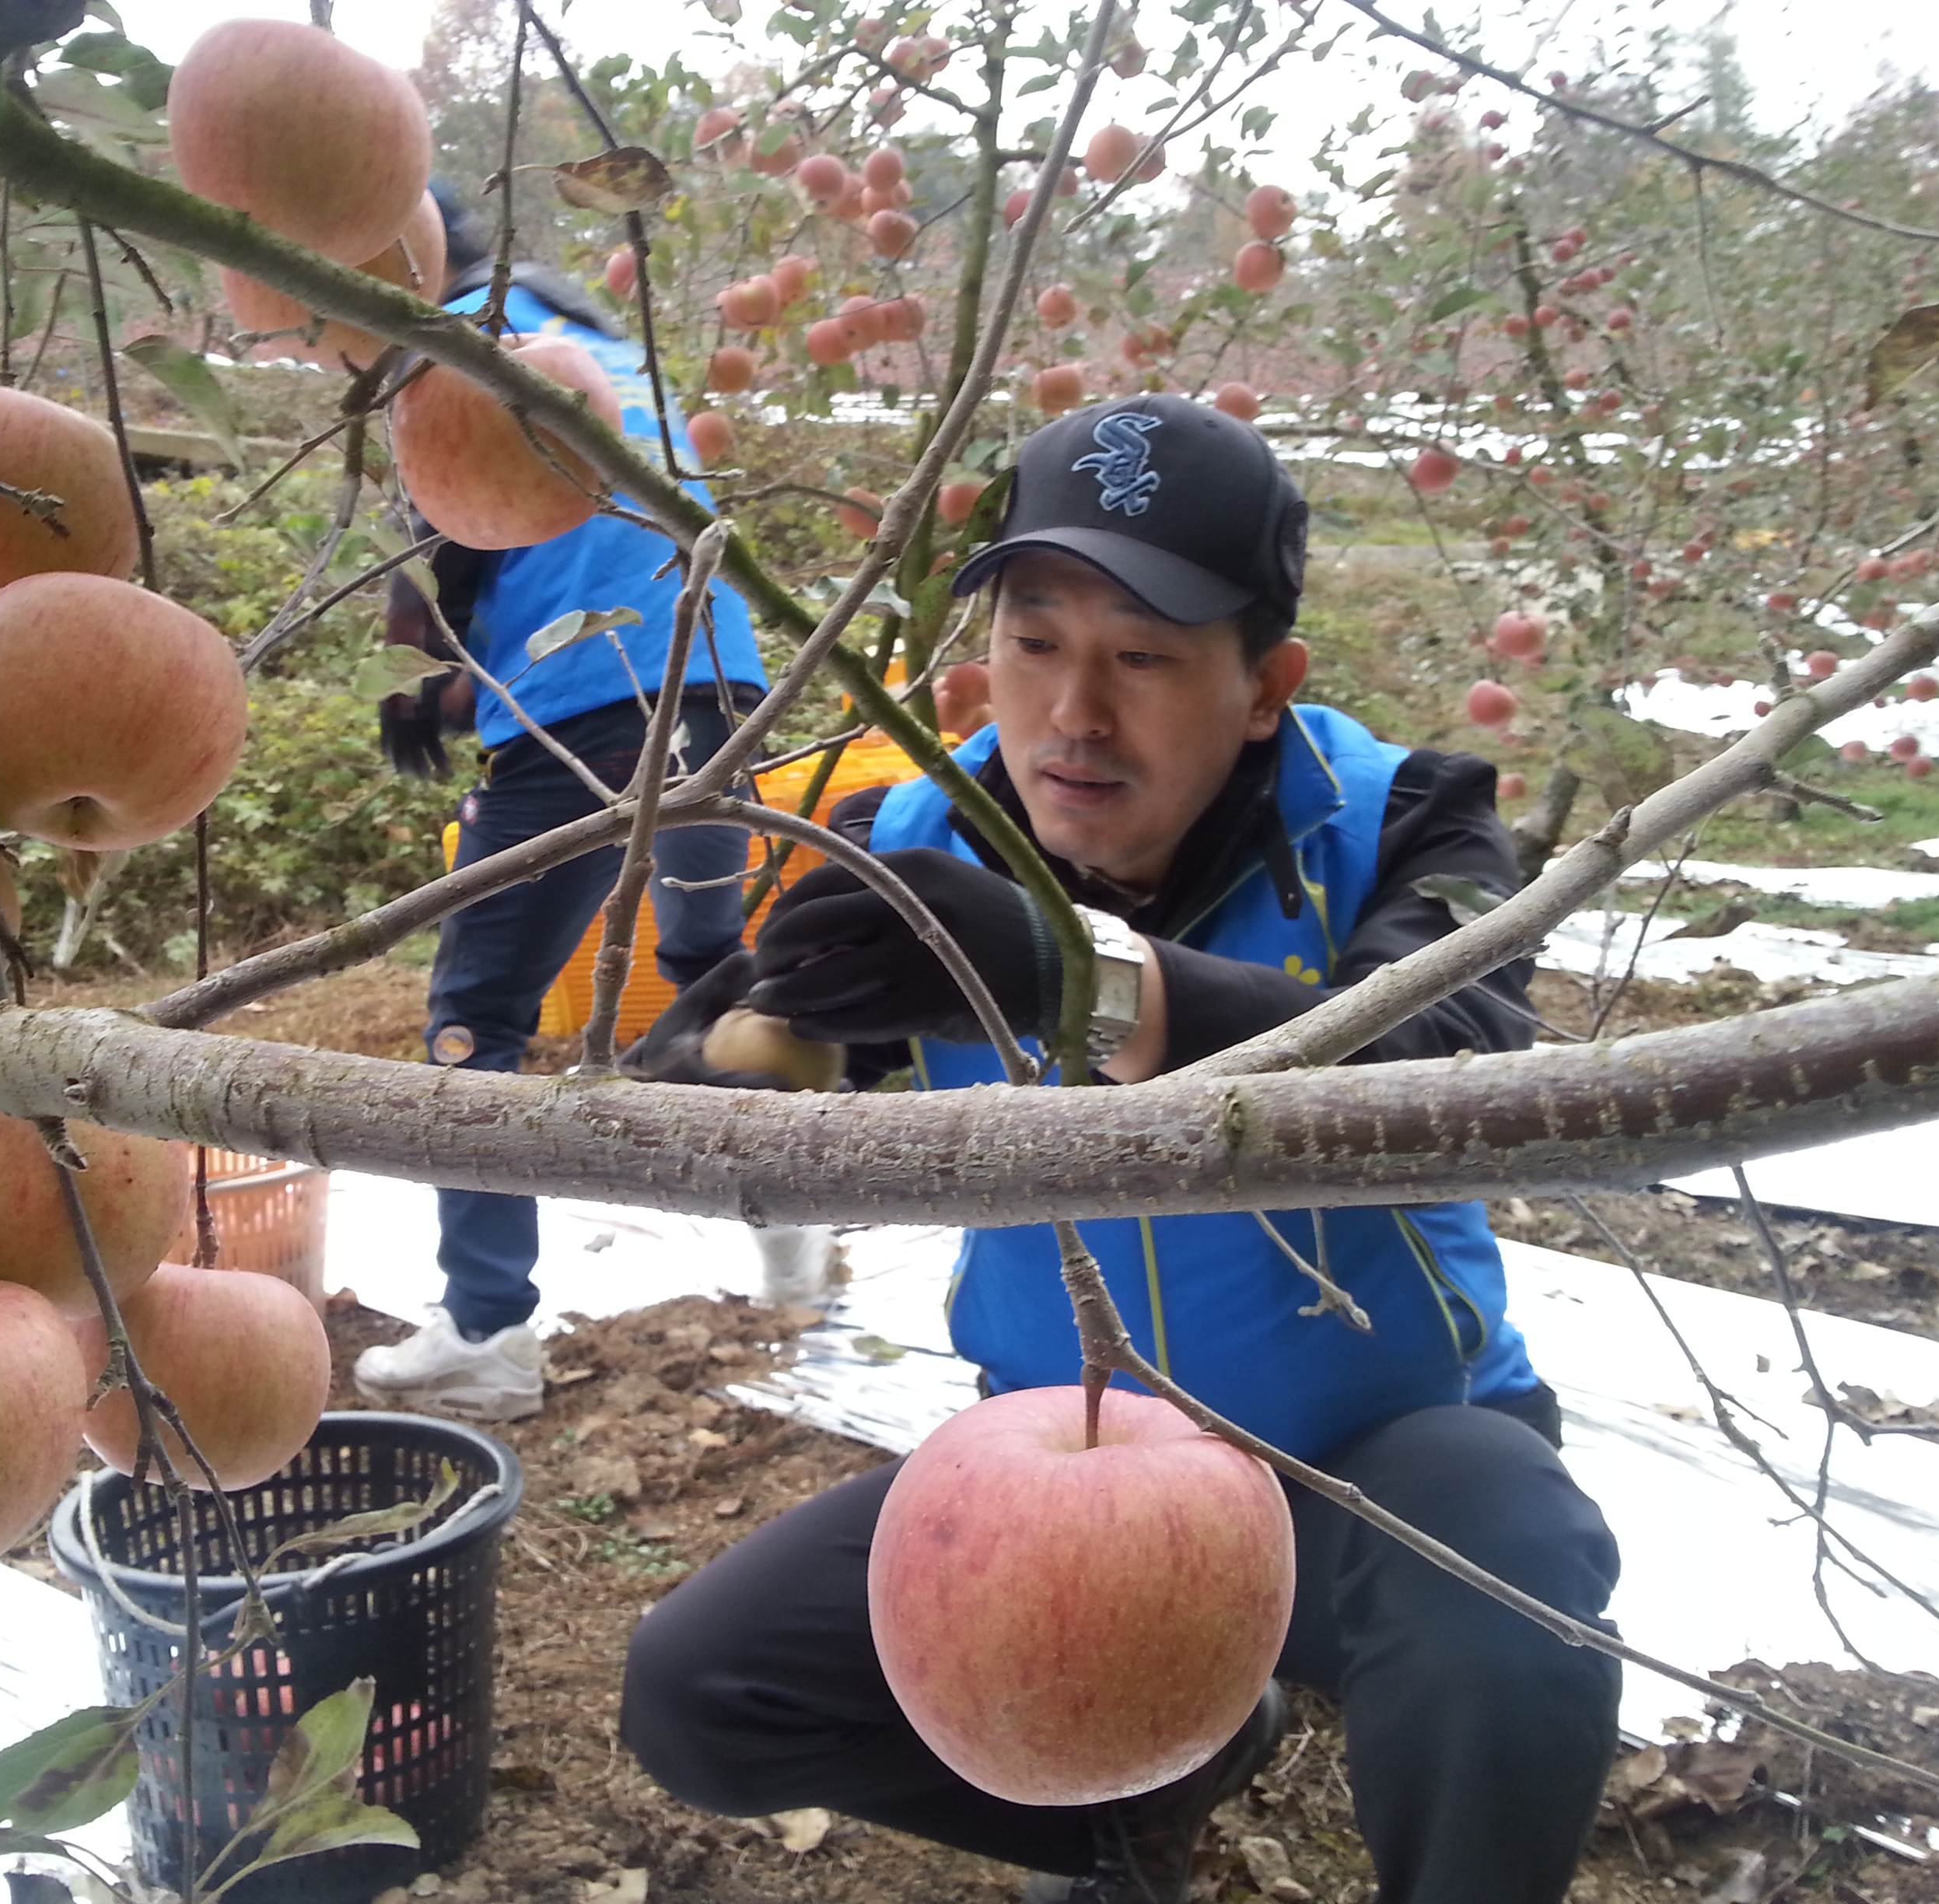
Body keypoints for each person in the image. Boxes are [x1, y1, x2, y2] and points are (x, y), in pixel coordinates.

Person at [614, 395, 1624, 1904]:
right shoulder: (918, 835)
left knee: (1512, 1594)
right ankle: (1157, 1796)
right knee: (703, 1692)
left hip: (1377, 1465)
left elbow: (1453, 1075)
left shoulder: (1408, 816)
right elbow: (716, 1062)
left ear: (1266, 685)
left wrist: (1068, 974)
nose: (1074, 715)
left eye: (1142, 657)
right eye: (1035, 645)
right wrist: (741, 1062)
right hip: (1069, 1452)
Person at [352, 187, 768, 1423]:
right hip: (722, 664)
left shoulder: (442, 357)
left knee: (478, 1004)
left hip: (587, 686)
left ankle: (488, 1329)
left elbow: (450, 555)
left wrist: (425, 689)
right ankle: (796, 1226)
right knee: (706, 954)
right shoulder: (583, 337)